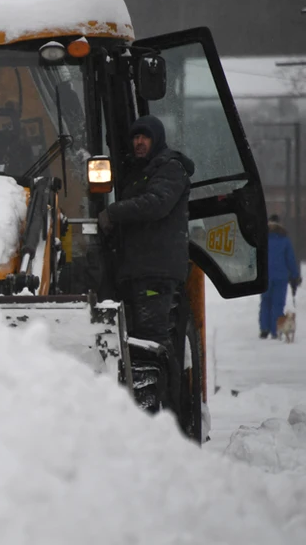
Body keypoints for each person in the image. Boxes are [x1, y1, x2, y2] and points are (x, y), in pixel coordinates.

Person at [97, 114, 195, 410]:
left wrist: (114, 213)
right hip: (137, 272)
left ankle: (166, 415)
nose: (139, 142)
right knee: (137, 346)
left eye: (145, 137)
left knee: (152, 347)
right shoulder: (141, 172)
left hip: (155, 273)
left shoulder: (170, 169)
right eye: (135, 137)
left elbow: (157, 203)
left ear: (157, 140)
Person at [259, 214, 302, 339]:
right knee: (278, 304)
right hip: (280, 277)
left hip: (265, 276)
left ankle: (264, 329)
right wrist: (295, 276)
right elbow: (290, 260)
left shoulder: (262, 239)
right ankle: (275, 330)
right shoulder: (284, 239)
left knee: (265, 302)